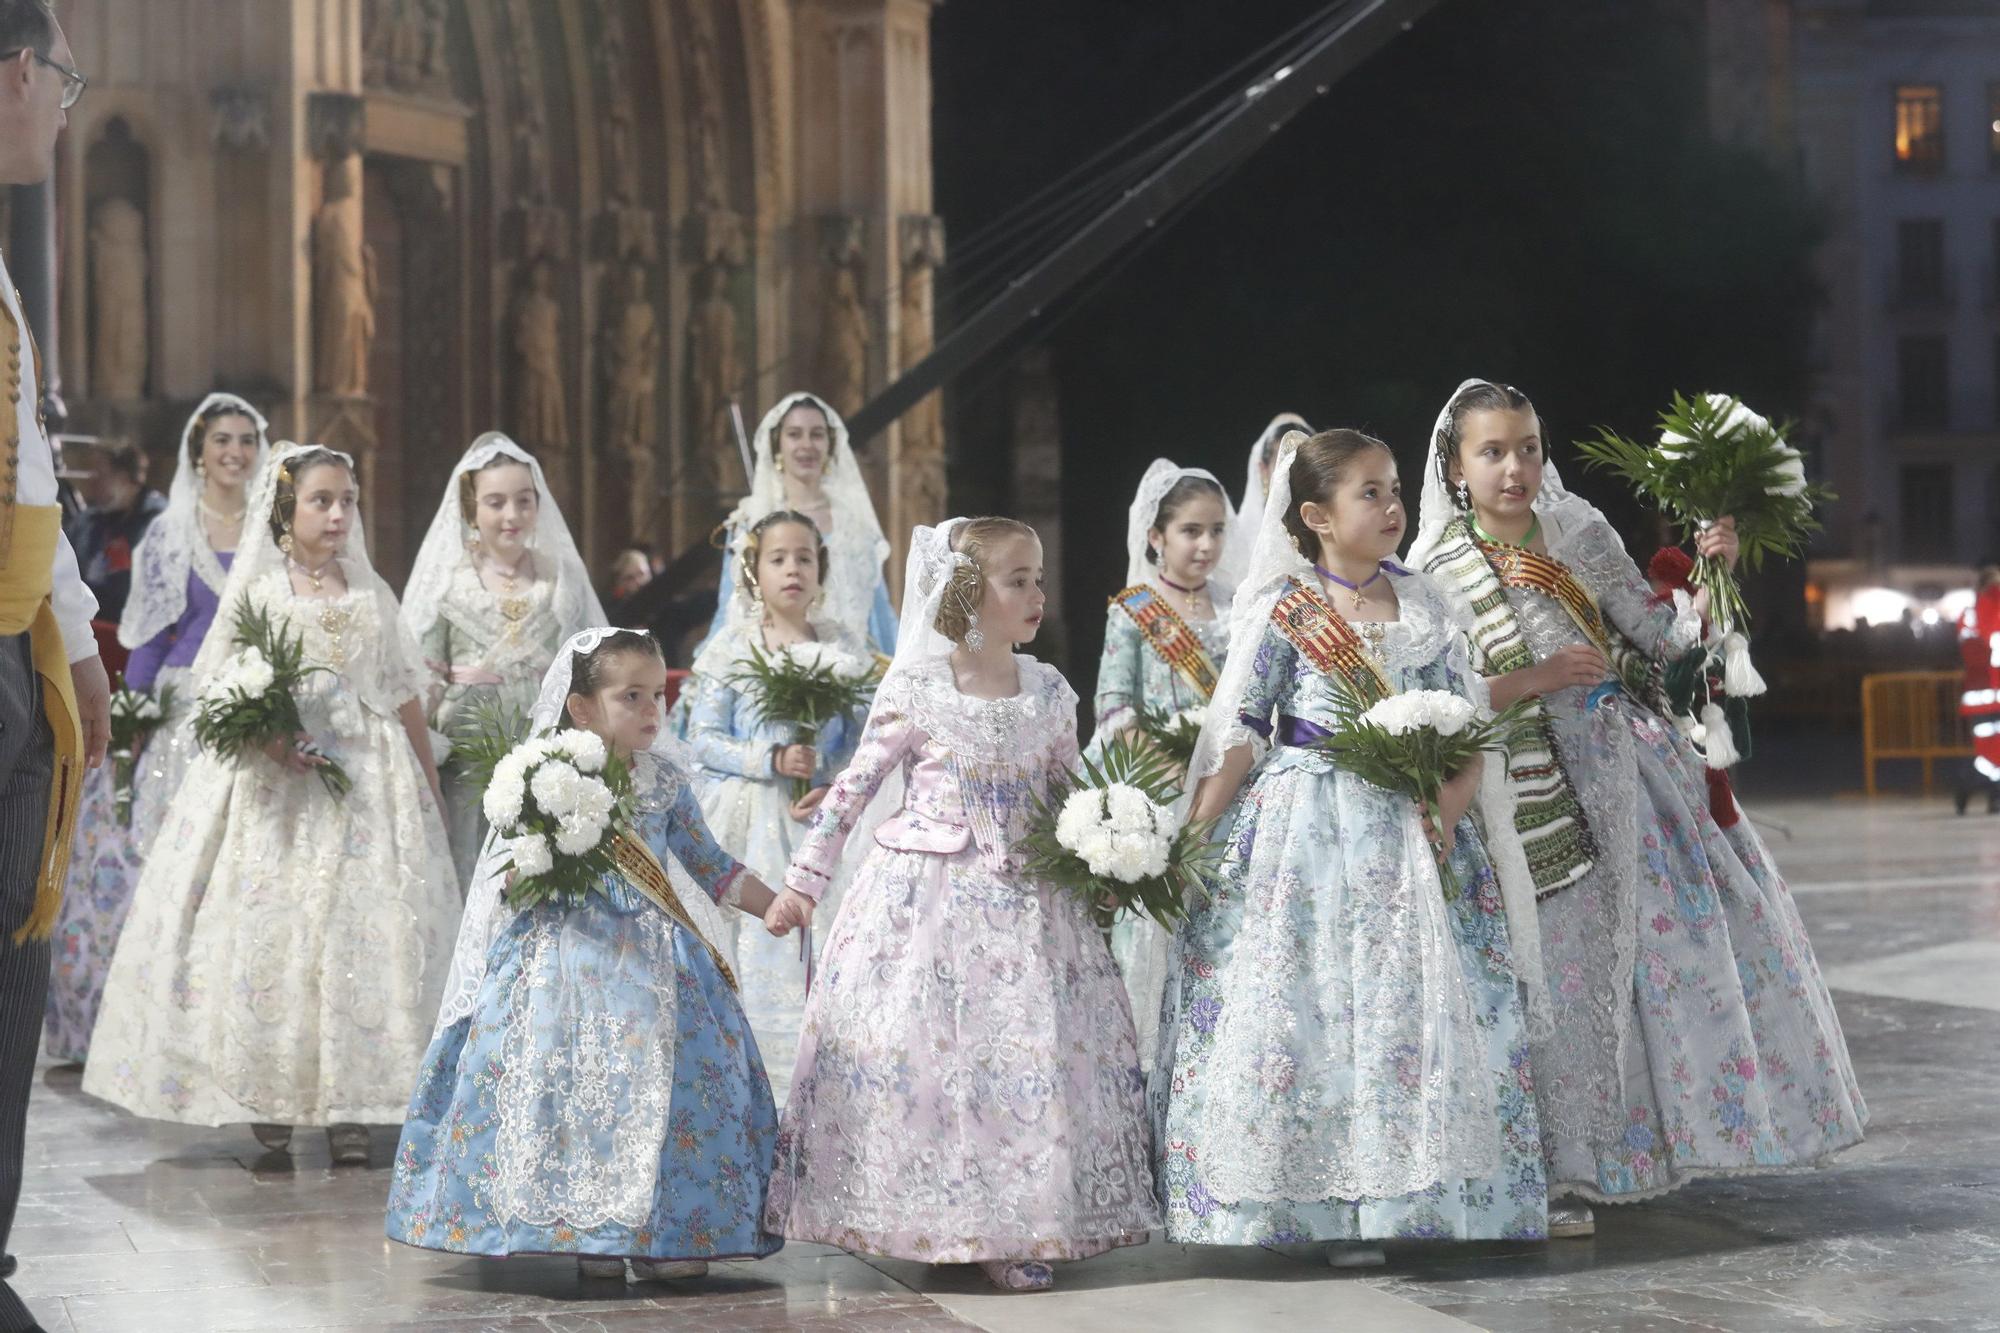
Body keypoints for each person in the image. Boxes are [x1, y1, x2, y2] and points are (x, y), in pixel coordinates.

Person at [1406, 379, 1866, 1231]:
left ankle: (1631, 1150)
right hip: (1512, 788)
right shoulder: (1435, 570)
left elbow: (1658, 644)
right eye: (1494, 452)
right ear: (1456, 465)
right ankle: (1552, 1165)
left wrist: (1711, 574)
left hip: (1627, 778)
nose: (1516, 467)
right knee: (1546, 972)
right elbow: (1439, 695)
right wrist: (1534, 679)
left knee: (1645, 968)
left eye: (1530, 447)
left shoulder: (1582, 531)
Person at [1154, 429, 1548, 1265]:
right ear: (1314, 516)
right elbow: (1241, 733)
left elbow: (1468, 727)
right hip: (1308, 834)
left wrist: (1445, 811)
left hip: (1413, 827)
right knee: (1318, 1008)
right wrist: (1195, 833)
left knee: (1413, 1011)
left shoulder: (1430, 604)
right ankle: (1324, 1204)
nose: (1393, 505)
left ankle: (1423, 1197)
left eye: (1396, 488)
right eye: (1369, 492)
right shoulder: (1286, 609)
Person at [760, 517, 1160, 1292]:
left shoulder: (1047, 689)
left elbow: (1066, 792)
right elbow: (850, 792)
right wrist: (802, 884)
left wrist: (1103, 856)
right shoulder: (919, 689)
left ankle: (1022, 1219)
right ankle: (945, 1215)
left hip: (1031, 904)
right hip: (930, 901)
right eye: (1018, 580)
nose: (1037, 594)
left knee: (1028, 1054)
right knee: (944, 1058)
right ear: (969, 593)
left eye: (1039, 578)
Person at [83, 444, 460, 1166]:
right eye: (323, 499)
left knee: (360, 934)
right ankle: (274, 1097)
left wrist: (427, 782)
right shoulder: (260, 592)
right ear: (287, 508)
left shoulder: (369, 591)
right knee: (276, 934)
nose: (339, 513)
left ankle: (353, 1103)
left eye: (348, 499)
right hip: (278, 792)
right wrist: (268, 737)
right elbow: (219, 689)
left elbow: (404, 687)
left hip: (365, 779)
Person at [389, 628, 788, 1282]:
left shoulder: (666, 783)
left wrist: (772, 904)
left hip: (659, 961)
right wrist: (530, 866)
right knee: (566, 1087)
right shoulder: (547, 776)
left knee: (679, 1086)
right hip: (568, 959)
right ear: (581, 707)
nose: (651, 710)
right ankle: (590, 1230)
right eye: (630, 695)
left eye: (657, 694)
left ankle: (675, 1230)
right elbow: (510, 872)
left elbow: (712, 867)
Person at [43, 394, 269, 1063]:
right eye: (221, 439)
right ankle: (170, 1017)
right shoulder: (172, 530)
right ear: (197, 450)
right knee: (173, 859)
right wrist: (132, 713)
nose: (234, 451)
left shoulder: (273, 528)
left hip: (260, 705)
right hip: (187, 708)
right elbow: (146, 637)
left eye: (246, 440)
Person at [0, 8, 112, 1328]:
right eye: (65, 85)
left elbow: (26, 458)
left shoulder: (10, 286)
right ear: (21, 73)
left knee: (13, 960)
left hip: (16, 652)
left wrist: (75, 643)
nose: (64, 112)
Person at [684, 510, 863, 1059]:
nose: (793, 570)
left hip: (817, 813)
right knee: (753, 932)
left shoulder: (843, 646)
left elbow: (863, 737)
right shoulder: (733, 646)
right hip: (749, 809)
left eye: (804, 558)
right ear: (753, 572)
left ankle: (824, 1051)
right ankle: (753, 1048)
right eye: (778, 559)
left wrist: (831, 778)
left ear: (820, 569)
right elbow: (703, 737)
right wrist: (771, 757)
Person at [401, 434, 604, 887]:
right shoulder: (447, 584)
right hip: (471, 748)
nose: (511, 515)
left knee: (546, 861)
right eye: (495, 502)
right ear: (471, 508)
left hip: (547, 742)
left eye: (523, 501)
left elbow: (587, 667)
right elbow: (423, 677)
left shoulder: (560, 577)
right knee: (475, 866)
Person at [1090, 459, 1239, 1066]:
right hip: (1158, 796)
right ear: (1156, 536)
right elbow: (1111, 707)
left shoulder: (1237, 608)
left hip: (1228, 792)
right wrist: (1166, 760)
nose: (1206, 545)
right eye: (1191, 531)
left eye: (1217, 530)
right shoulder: (1133, 610)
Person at [705, 393, 897, 654]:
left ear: (830, 444)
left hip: (846, 667)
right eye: (795, 434)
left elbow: (878, 613)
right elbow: (733, 604)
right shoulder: (750, 521)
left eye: (817, 434)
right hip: (767, 663)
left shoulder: (855, 528)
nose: (806, 445)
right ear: (778, 444)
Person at [69, 440, 164, 623]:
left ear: (126, 479)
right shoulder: (86, 522)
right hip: (89, 630)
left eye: (100, 475)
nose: (92, 482)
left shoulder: (159, 523)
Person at [1227, 412, 1311, 578]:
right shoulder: (1238, 542)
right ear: (1263, 470)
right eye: (1285, 462)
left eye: (1304, 465)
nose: (1295, 473)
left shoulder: (1329, 528)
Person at [1957, 565, 2000, 816]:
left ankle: (1988, 794)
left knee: (1992, 751)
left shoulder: (1970, 613)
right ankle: (1967, 784)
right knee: (1990, 753)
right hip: (1987, 694)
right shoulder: (1982, 612)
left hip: (1983, 693)